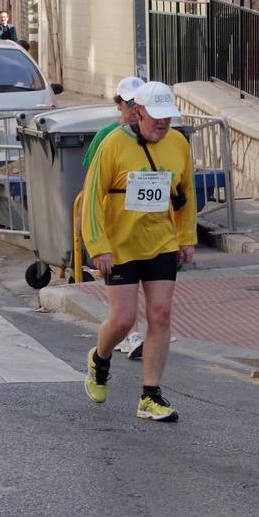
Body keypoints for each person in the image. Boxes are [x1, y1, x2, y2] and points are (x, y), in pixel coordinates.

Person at [81, 81, 197, 423]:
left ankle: (150, 395)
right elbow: (91, 199)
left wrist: (186, 236)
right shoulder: (113, 144)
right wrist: (98, 246)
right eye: (156, 118)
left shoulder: (178, 144)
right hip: (119, 246)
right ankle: (100, 359)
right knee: (124, 319)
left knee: (161, 315)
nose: (163, 124)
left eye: (168, 118)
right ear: (138, 112)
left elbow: (186, 193)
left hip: (161, 241)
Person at [83, 75, 146, 358]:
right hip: (115, 227)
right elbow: (91, 184)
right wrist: (89, 228)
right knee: (121, 294)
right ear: (119, 103)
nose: (133, 108)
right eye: (129, 102)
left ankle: (148, 333)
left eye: (138, 102)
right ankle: (128, 336)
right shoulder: (107, 137)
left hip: (147, 229)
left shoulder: (158, 135)